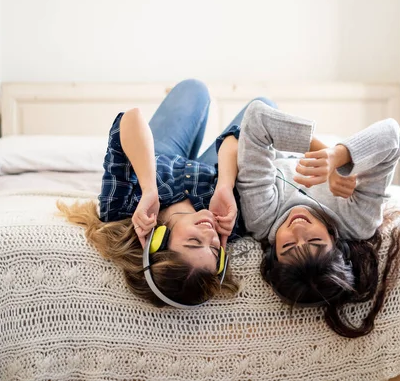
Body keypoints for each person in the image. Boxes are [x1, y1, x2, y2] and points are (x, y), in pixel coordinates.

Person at [60, 79, 276, 308]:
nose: (209, 234)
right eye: (214, 248)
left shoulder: (123, 210)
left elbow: (129, 118)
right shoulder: (229, 222)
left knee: (194, 89)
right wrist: (224, 185)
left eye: (194, 241)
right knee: (264, 105)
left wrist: (149, 189)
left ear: (159, 242)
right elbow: (246, 134)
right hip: (214, 171)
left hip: (158, 158)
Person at [235, 100, 400, 337]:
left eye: (288, 245)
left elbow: (256, 118)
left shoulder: (263, 217)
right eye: (315, 241)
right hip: (299, 143)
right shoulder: (357, 222)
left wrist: (325, 160)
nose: (298, 229)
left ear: (273, 251)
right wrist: (337, 158)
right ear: (335, 244)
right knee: (268, 105)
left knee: (260, 104)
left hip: (270, 149)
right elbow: (392, 135)